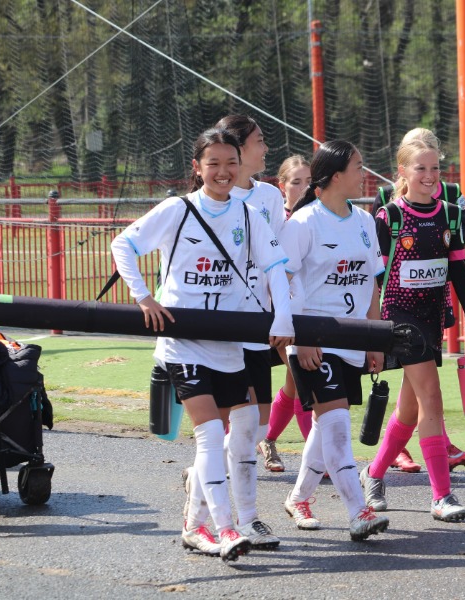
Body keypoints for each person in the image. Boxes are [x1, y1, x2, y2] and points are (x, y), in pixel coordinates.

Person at [109, 128, 294, 561]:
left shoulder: (249, 214)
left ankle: (195, 526)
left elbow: (276, 267)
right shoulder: (177, 209)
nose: (223, 171)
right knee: (210, 435)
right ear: (197, 168)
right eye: (213, 163)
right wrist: (143, 297)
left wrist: (283, 316)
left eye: (231, 162)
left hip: (228, 345)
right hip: (182, 343)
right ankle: (226, 529)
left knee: (232, 433)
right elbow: (124, 244)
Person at [358, 138, 465, 523]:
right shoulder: (389, 218)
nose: (429, 177)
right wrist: (373, 330)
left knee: (410, 410)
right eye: (420, 169)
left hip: (432, 319)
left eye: (435, 169)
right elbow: (372, 279)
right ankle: (442, 494)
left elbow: (460, 274)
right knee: (432, 396)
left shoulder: (450, 215)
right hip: (399, 319)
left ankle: (374, 474)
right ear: (403, 173)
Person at [280, 140, 390, 541]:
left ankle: (298, 497)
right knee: (338, 426)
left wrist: (375, 339)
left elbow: (371, 286)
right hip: (312, 342)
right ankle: (358, 511)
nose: (365, 172)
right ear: (335, 175)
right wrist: (303, 336)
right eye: (359, 166)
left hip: (354, 340)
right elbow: (284, 282)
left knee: (325, 428)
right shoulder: (303, 223)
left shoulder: (364, 221)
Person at [210, 114, 289, 547]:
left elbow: (277, 262)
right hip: (221, 326)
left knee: (256, 430)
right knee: (234, 429)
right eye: (260, 141)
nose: (266, 149)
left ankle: (207, 480)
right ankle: (245, 518)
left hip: (260, 322)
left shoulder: (270, 197)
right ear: (237, 150)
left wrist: (283, 315)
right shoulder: (203, 202)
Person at [258, 155, 313, 472]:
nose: (303, 187)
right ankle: (316, 459)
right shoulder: (275, 219)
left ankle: (267, 440)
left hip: (307, 311)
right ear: (282, 186)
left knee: (294, 383)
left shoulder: (317, 218)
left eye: (308, 181)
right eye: (296, 181)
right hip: (277, 311)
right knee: (302, 377)